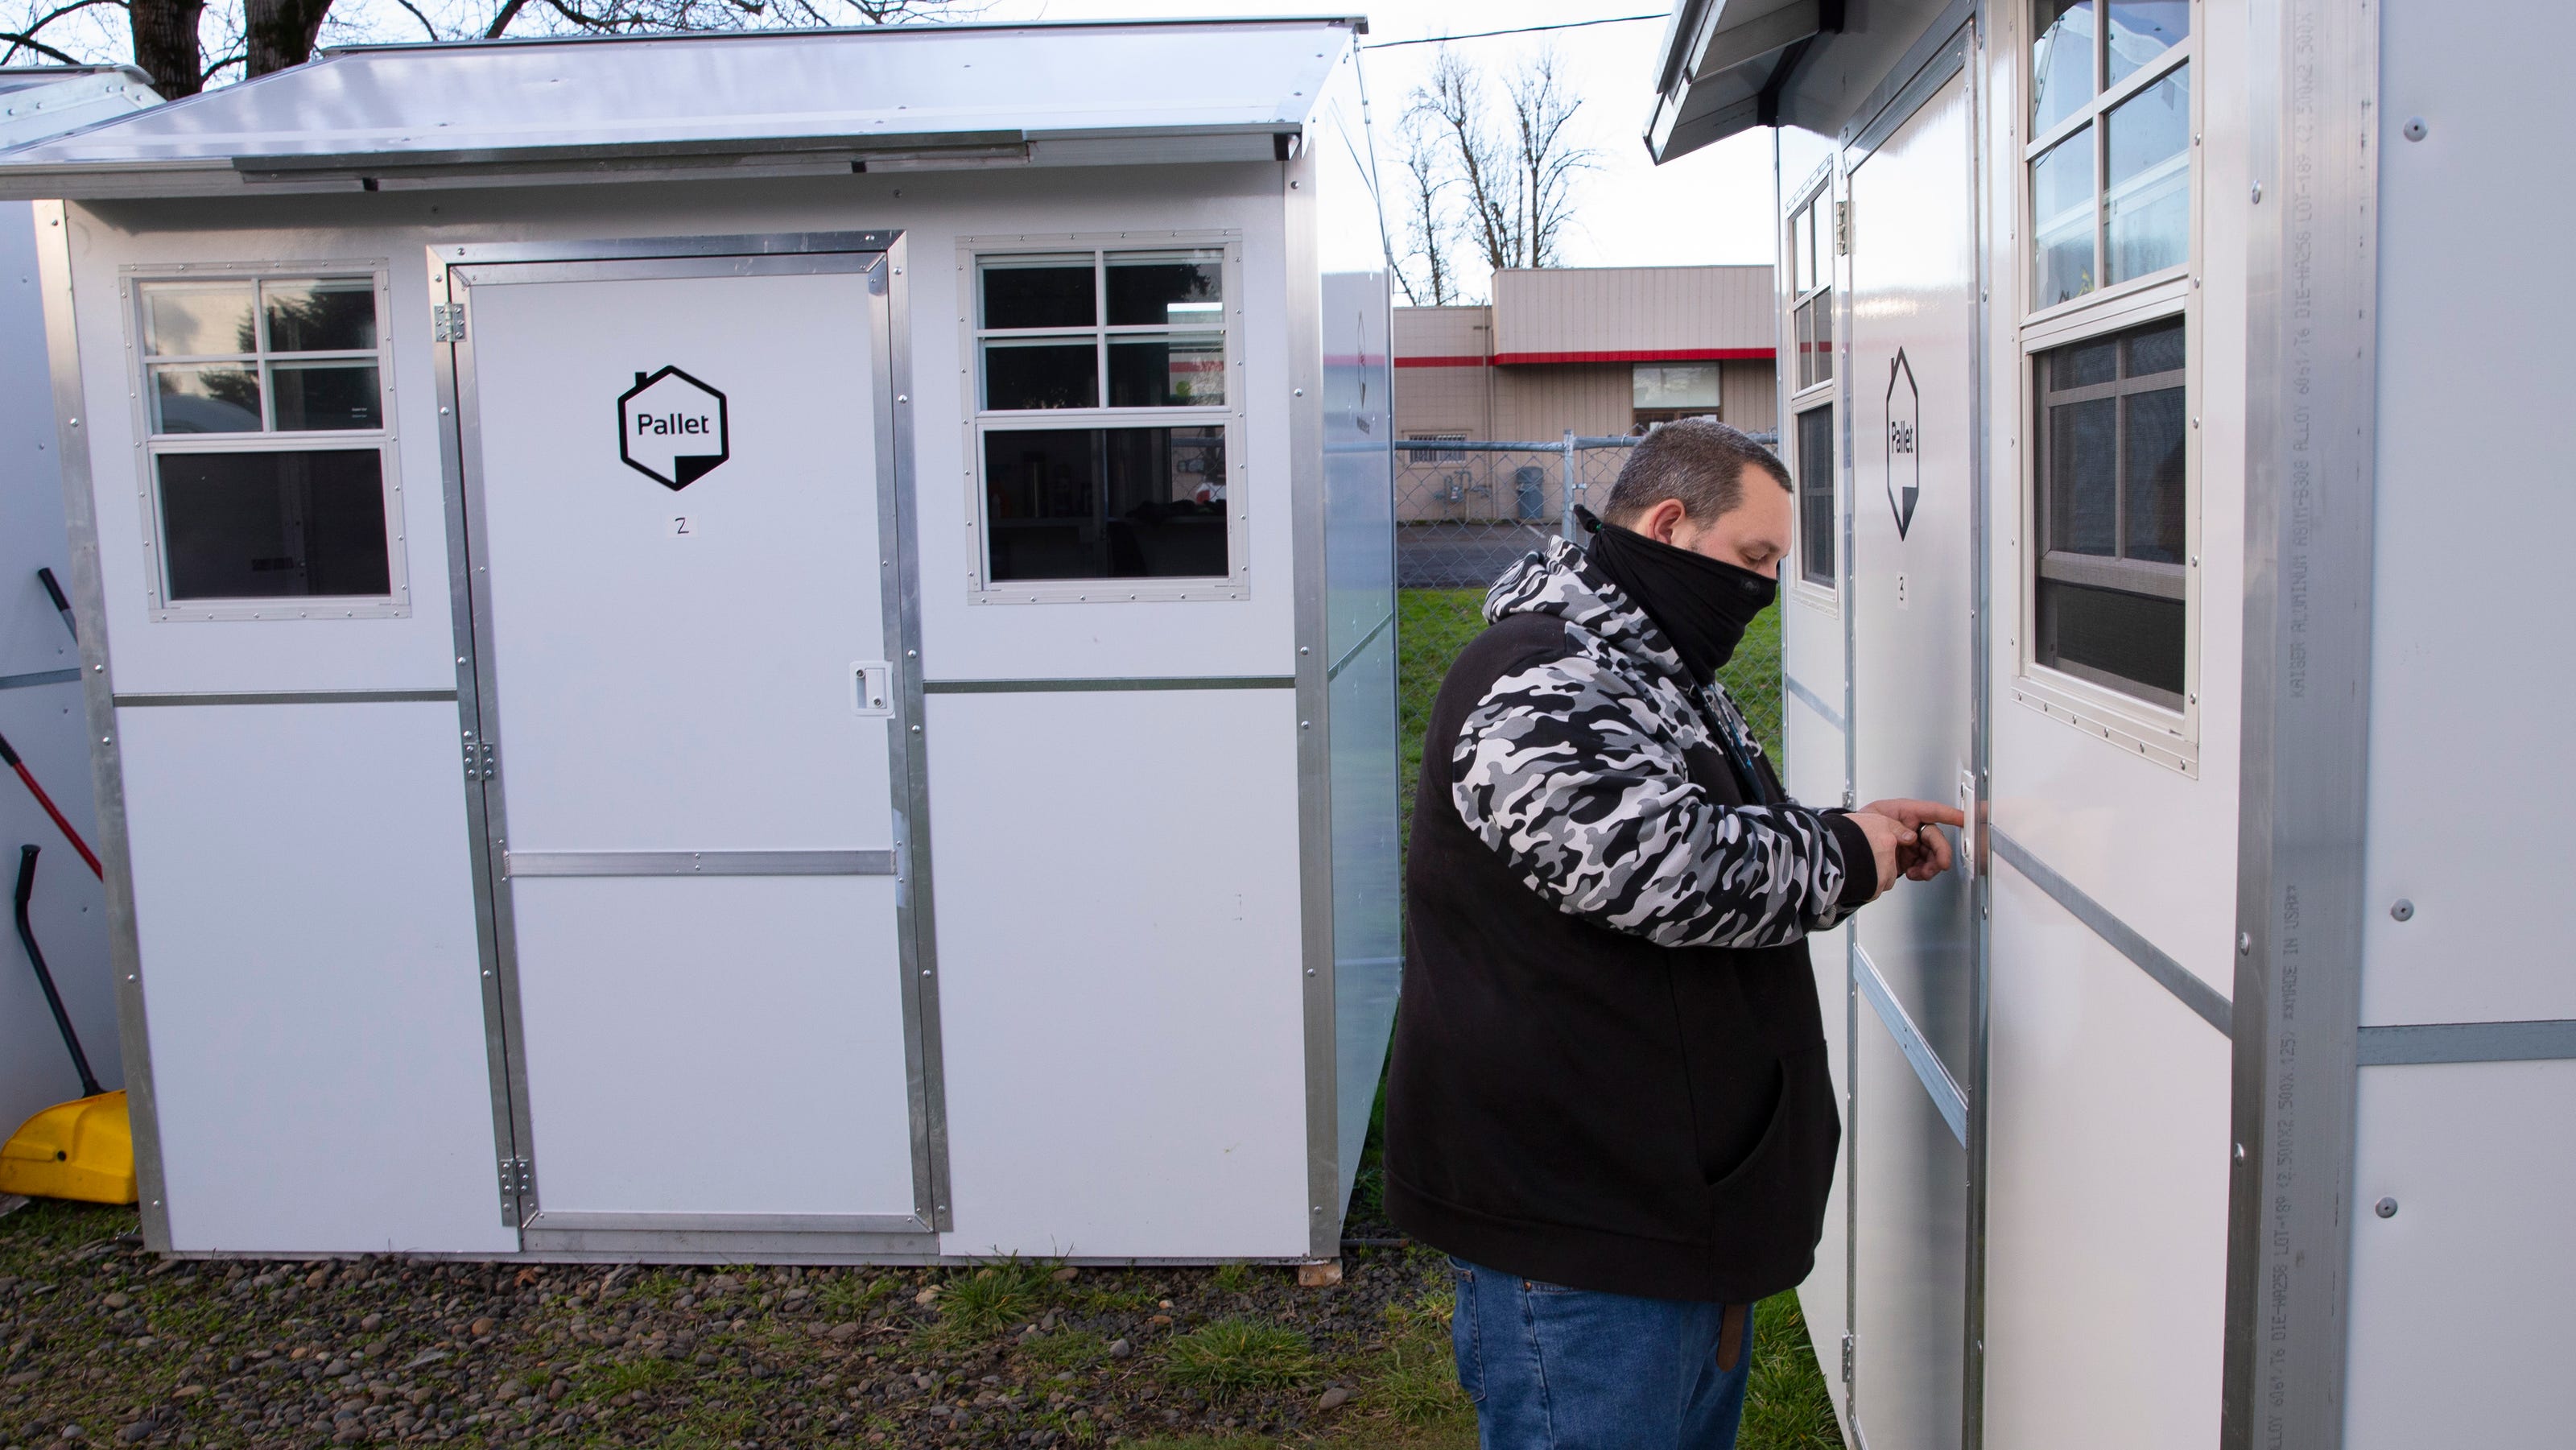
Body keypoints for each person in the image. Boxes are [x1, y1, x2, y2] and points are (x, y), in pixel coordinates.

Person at [1385, 419, 1963, 1450]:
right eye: (1753, 558)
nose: (1764, 587)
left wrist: (1851, 831)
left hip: (1660, 1209)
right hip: (1580, 1234)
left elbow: (1707, 821)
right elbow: (1659, 865)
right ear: (1666, 524)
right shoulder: (1539, 678)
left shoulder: (1647, 668)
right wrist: (1848, 855)